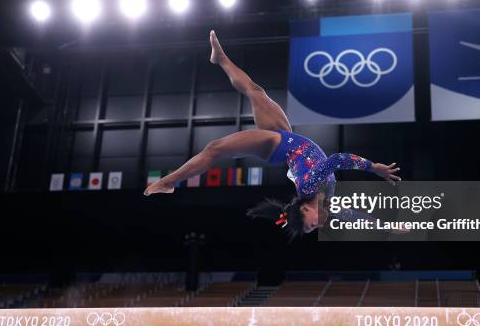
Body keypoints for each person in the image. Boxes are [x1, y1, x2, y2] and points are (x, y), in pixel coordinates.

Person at [144, 30, 401, 239]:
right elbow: (353, 209)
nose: (315, 227)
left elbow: (335, 161)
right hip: (288, 137)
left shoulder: (308, 188)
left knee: (215, 148)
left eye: (310, 226)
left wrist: (373, 169)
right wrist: (387, 223)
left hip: (280, 146)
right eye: (313, 228)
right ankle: (220, 59)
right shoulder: (327, 201)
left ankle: (168, 182)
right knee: (256, 92)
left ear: (304, 209)